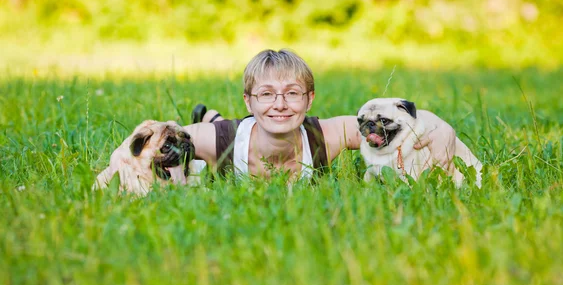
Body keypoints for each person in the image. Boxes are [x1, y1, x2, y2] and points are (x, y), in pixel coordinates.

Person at [183, 49, 456, 178]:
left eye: (292, 93)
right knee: (219, 129)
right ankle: (211, 117)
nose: (280, 104)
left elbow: (390, 121)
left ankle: (213, 113)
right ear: (248, 102)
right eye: (266, 94)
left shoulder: (324, 136)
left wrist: (441, 129)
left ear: (309, 99)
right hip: (230, 132)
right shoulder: (218, 139)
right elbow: (160, 135)